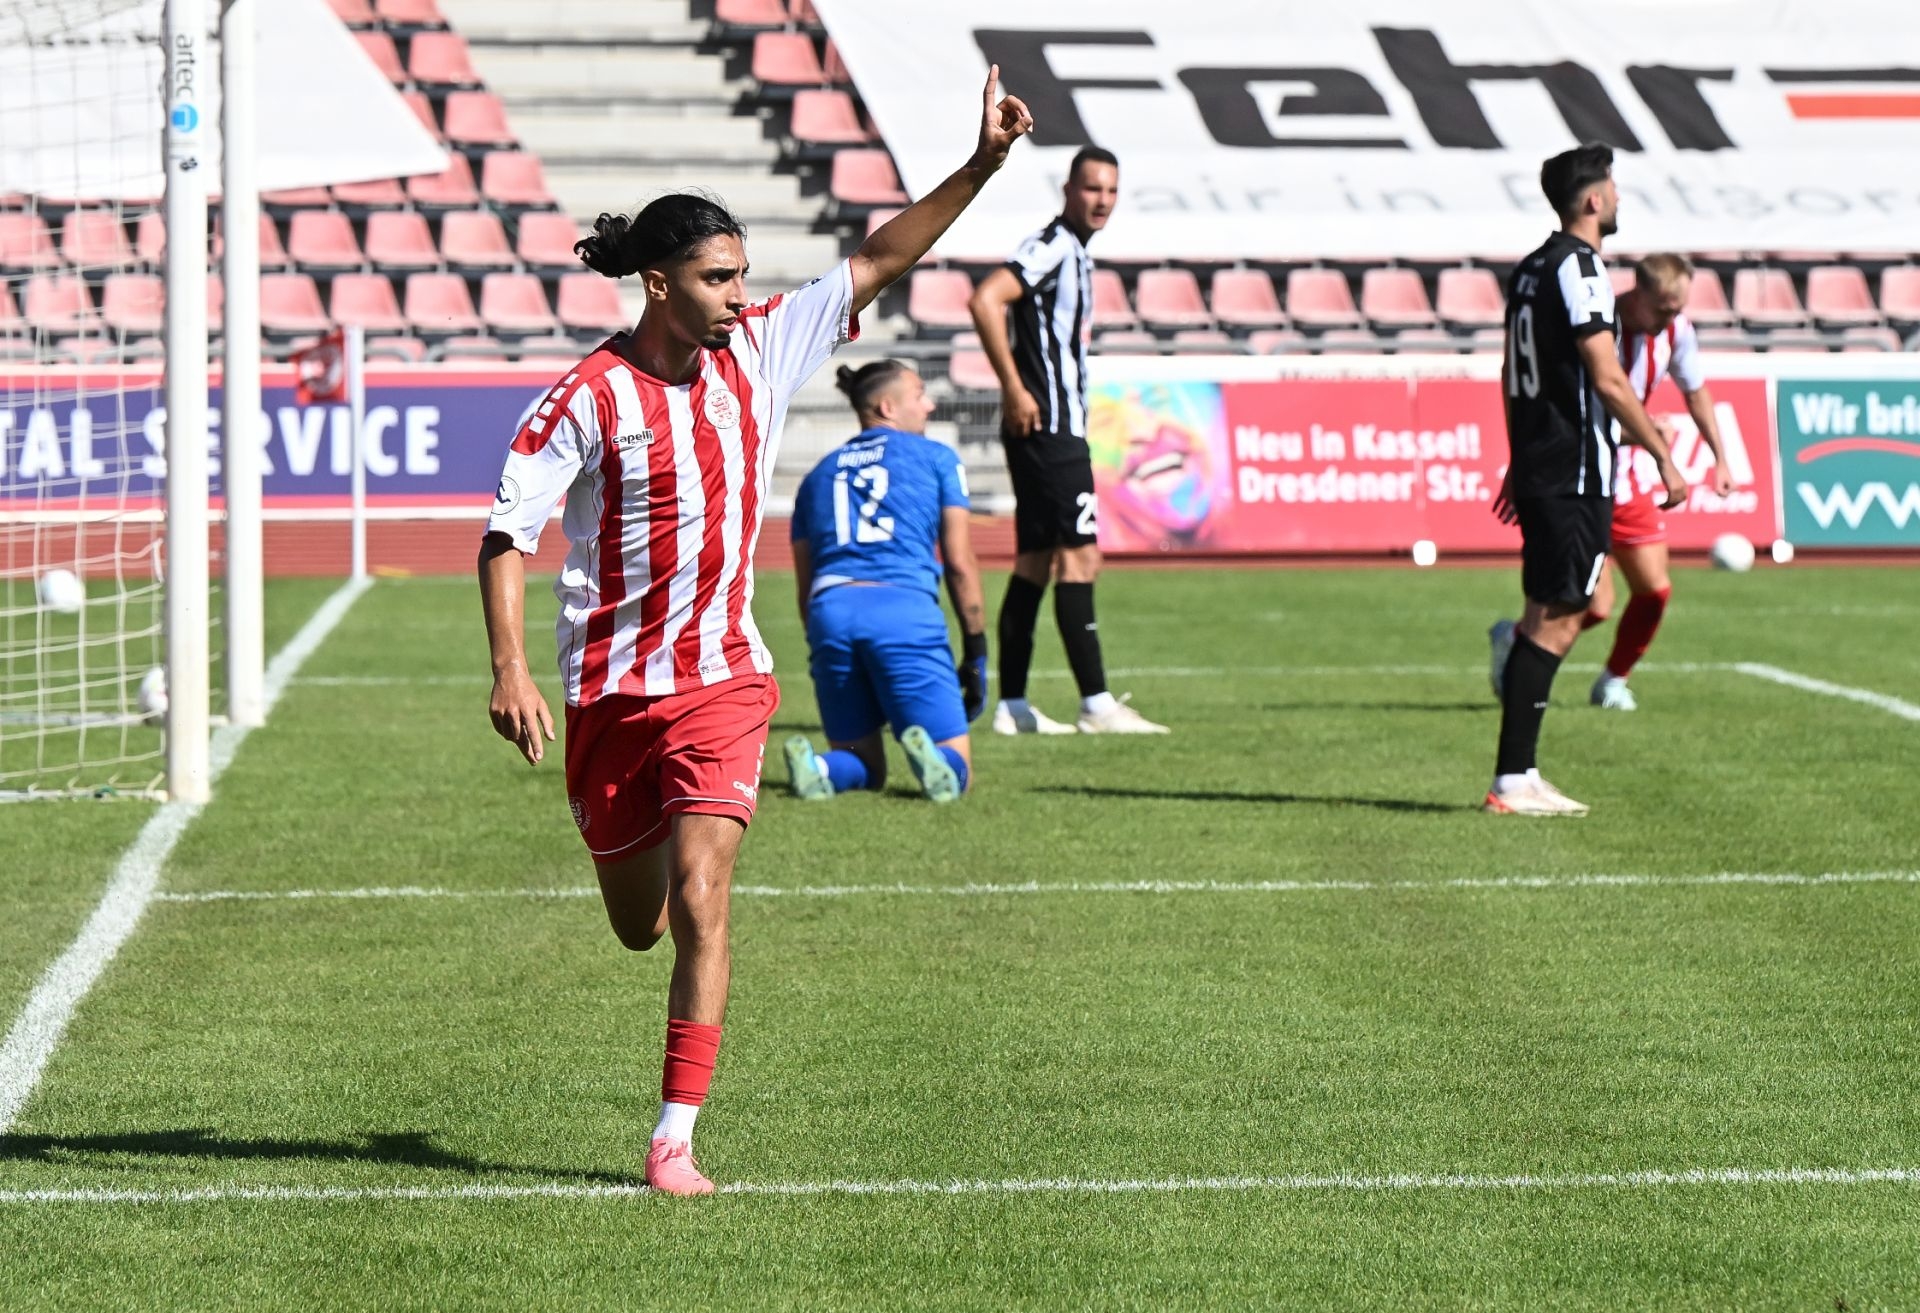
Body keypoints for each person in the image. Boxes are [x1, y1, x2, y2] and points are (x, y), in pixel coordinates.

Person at [477, 68, 1033, 1196]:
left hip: (725, 680)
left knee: (703, 895)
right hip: (609, 692)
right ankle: (664, 1053)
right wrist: (511, 669)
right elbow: (506, 533)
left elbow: (880, 257)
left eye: (741, 274)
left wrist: (982, 165)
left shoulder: (764, 350)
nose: (739, 294)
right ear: (658, 283)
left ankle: (673, 1136)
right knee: (639, 924)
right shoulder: (587, 396)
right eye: (716, 276)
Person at [1482, 143, 1687, 818]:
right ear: (1594, 199)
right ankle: (1513, 779)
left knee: (1548, 614)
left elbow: (1514, 372)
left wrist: (1520, 456)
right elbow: (1608, 377)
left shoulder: (1531, 269)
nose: (1620, 197)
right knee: (1559, 619)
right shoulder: (1582, 267)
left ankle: (1519, 774)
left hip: (1546, 461)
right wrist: (1661, 452)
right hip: (1574, 469)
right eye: (1614, 187)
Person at [967, 145, 1167, 736]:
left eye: (1111, 190)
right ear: (1068, 190)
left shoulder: (1075, 251)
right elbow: (985, 298)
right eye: (1092, 188)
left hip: (1049, 427)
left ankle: (1013, 706)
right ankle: (1096, 705)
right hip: (1051, 429)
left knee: (1034, 561)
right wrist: (1014, 387)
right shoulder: (1053, 244)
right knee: (1080, 556)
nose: (1102, 200)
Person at [782, 360, 986, 804]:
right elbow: (959, 562)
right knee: (960, 771)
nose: (929, 406)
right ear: (888, 407)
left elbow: (804, 580)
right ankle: (937, 759)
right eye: (919, 395)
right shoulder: (936, 457)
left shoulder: (818, 475)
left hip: (830, 612)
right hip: (902, 610)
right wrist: (976, 651)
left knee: (862, 762)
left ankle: (819, 767)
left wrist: (819, 639)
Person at [1583, 253, 1737, 710]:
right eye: (1663, 309)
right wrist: (1650, 436)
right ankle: (1517, 640)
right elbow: (1579, 416)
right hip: (1581, 478)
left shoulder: (1677, 331)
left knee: (1654, 591)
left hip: (1628, 480)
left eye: (1678, 309)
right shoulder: (1596, 328)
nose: (1671, 319)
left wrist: (1720, 458)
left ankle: (1613, 681)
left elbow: (1695, 390)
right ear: (1637, 294)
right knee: (1592, 607)